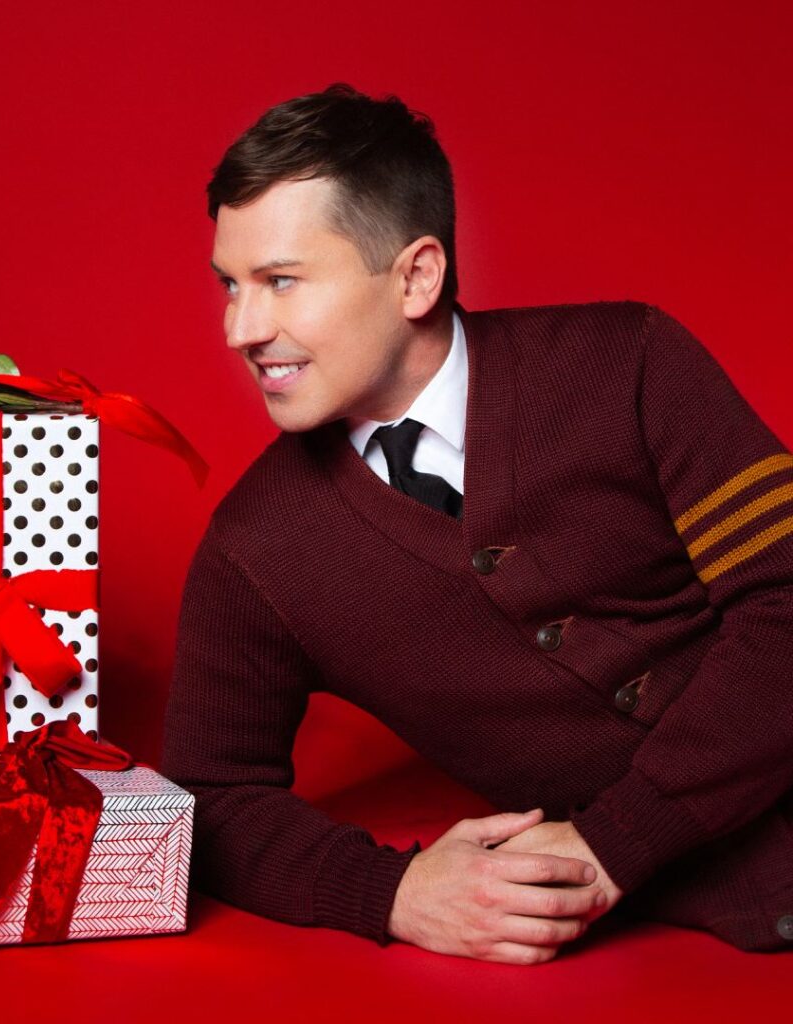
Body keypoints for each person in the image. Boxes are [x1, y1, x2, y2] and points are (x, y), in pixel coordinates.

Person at [160, 83, 793, 964]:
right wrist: (390, 893)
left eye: (281, 281)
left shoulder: (625, 362)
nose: (242, 327)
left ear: (417, 275)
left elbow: (786, 605)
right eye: (231, 284)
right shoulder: (256, 549)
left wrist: (620, 840)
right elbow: (209, 796)